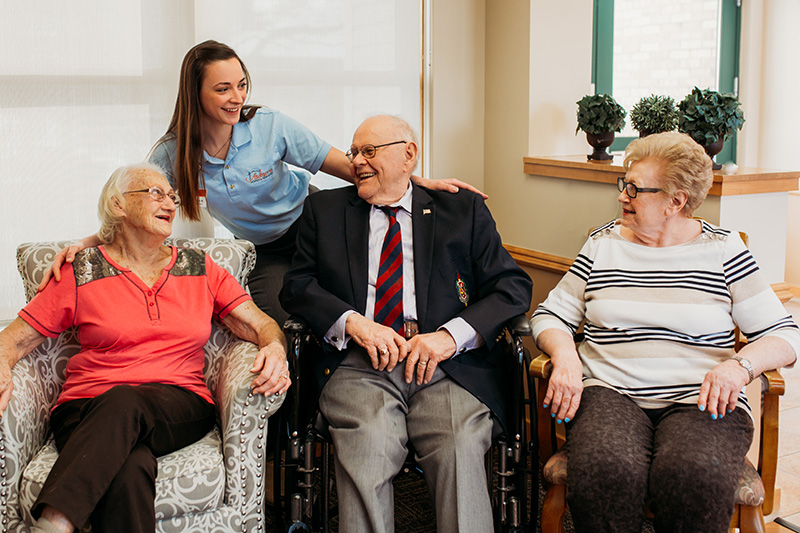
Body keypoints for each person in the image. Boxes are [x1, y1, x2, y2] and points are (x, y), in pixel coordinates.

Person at [41, 40, 483, 326]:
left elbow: (348, 166)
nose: (237, 98)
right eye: (222, 89)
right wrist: (90, 240)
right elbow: (139, 205)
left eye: (241, 85)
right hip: (263, 249)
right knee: (282, 320)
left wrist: (415, 180)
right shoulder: (173, 155)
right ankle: (288, 429)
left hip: (313, 223)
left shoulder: (270, 126)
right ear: (196, 93)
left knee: (349, 308)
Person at [531, 131, 800, 532]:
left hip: (700, 399)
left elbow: (785, 335)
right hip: (610, 391)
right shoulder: (602, 244)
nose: (622, 196)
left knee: (693, 474)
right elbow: (550, 315)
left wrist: (739, 367)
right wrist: (566, 356)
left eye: (635, 189)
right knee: (607, 469)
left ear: (676, 201)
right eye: (624, 184)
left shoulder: (724, 251)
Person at [0, 163, 291, 533]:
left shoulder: (199, 267)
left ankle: (55, 521)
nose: (169, 202)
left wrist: (275, 348)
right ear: (119, 205)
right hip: (81, 410)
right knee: (129, 468)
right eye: (155, 193)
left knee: (124, 399)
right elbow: (13, 338)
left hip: (179, 403)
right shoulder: (81, 270)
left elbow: (259, 323)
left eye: (172, 196)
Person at [279, 114, 532, 532]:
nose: (357, 160)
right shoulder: (324, 210)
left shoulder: (462, 210)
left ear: (408, 155)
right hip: (360, 366)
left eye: (369, 151)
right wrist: (354, 323)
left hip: (448, 369)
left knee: (460, 446)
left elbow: (511, 286)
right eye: (354, 151)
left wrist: (450, 338)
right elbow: (297, 286)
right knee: (368, 444)